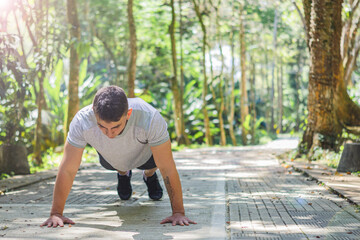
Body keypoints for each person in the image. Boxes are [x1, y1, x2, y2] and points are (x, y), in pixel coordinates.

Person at [41, 86, 196, 227]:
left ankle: (149, 175)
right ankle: (123, 173)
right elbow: (68, 169)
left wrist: (178, 212)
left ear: (128, 114)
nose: (110, 133)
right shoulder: (82, 121)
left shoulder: (150, 117)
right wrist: (56, 213)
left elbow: (167, 167)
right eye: (102, 126)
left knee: (156, 163)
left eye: (115, 127)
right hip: (111, 160)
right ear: (94, 114)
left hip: (145, 157)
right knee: (120, 165)